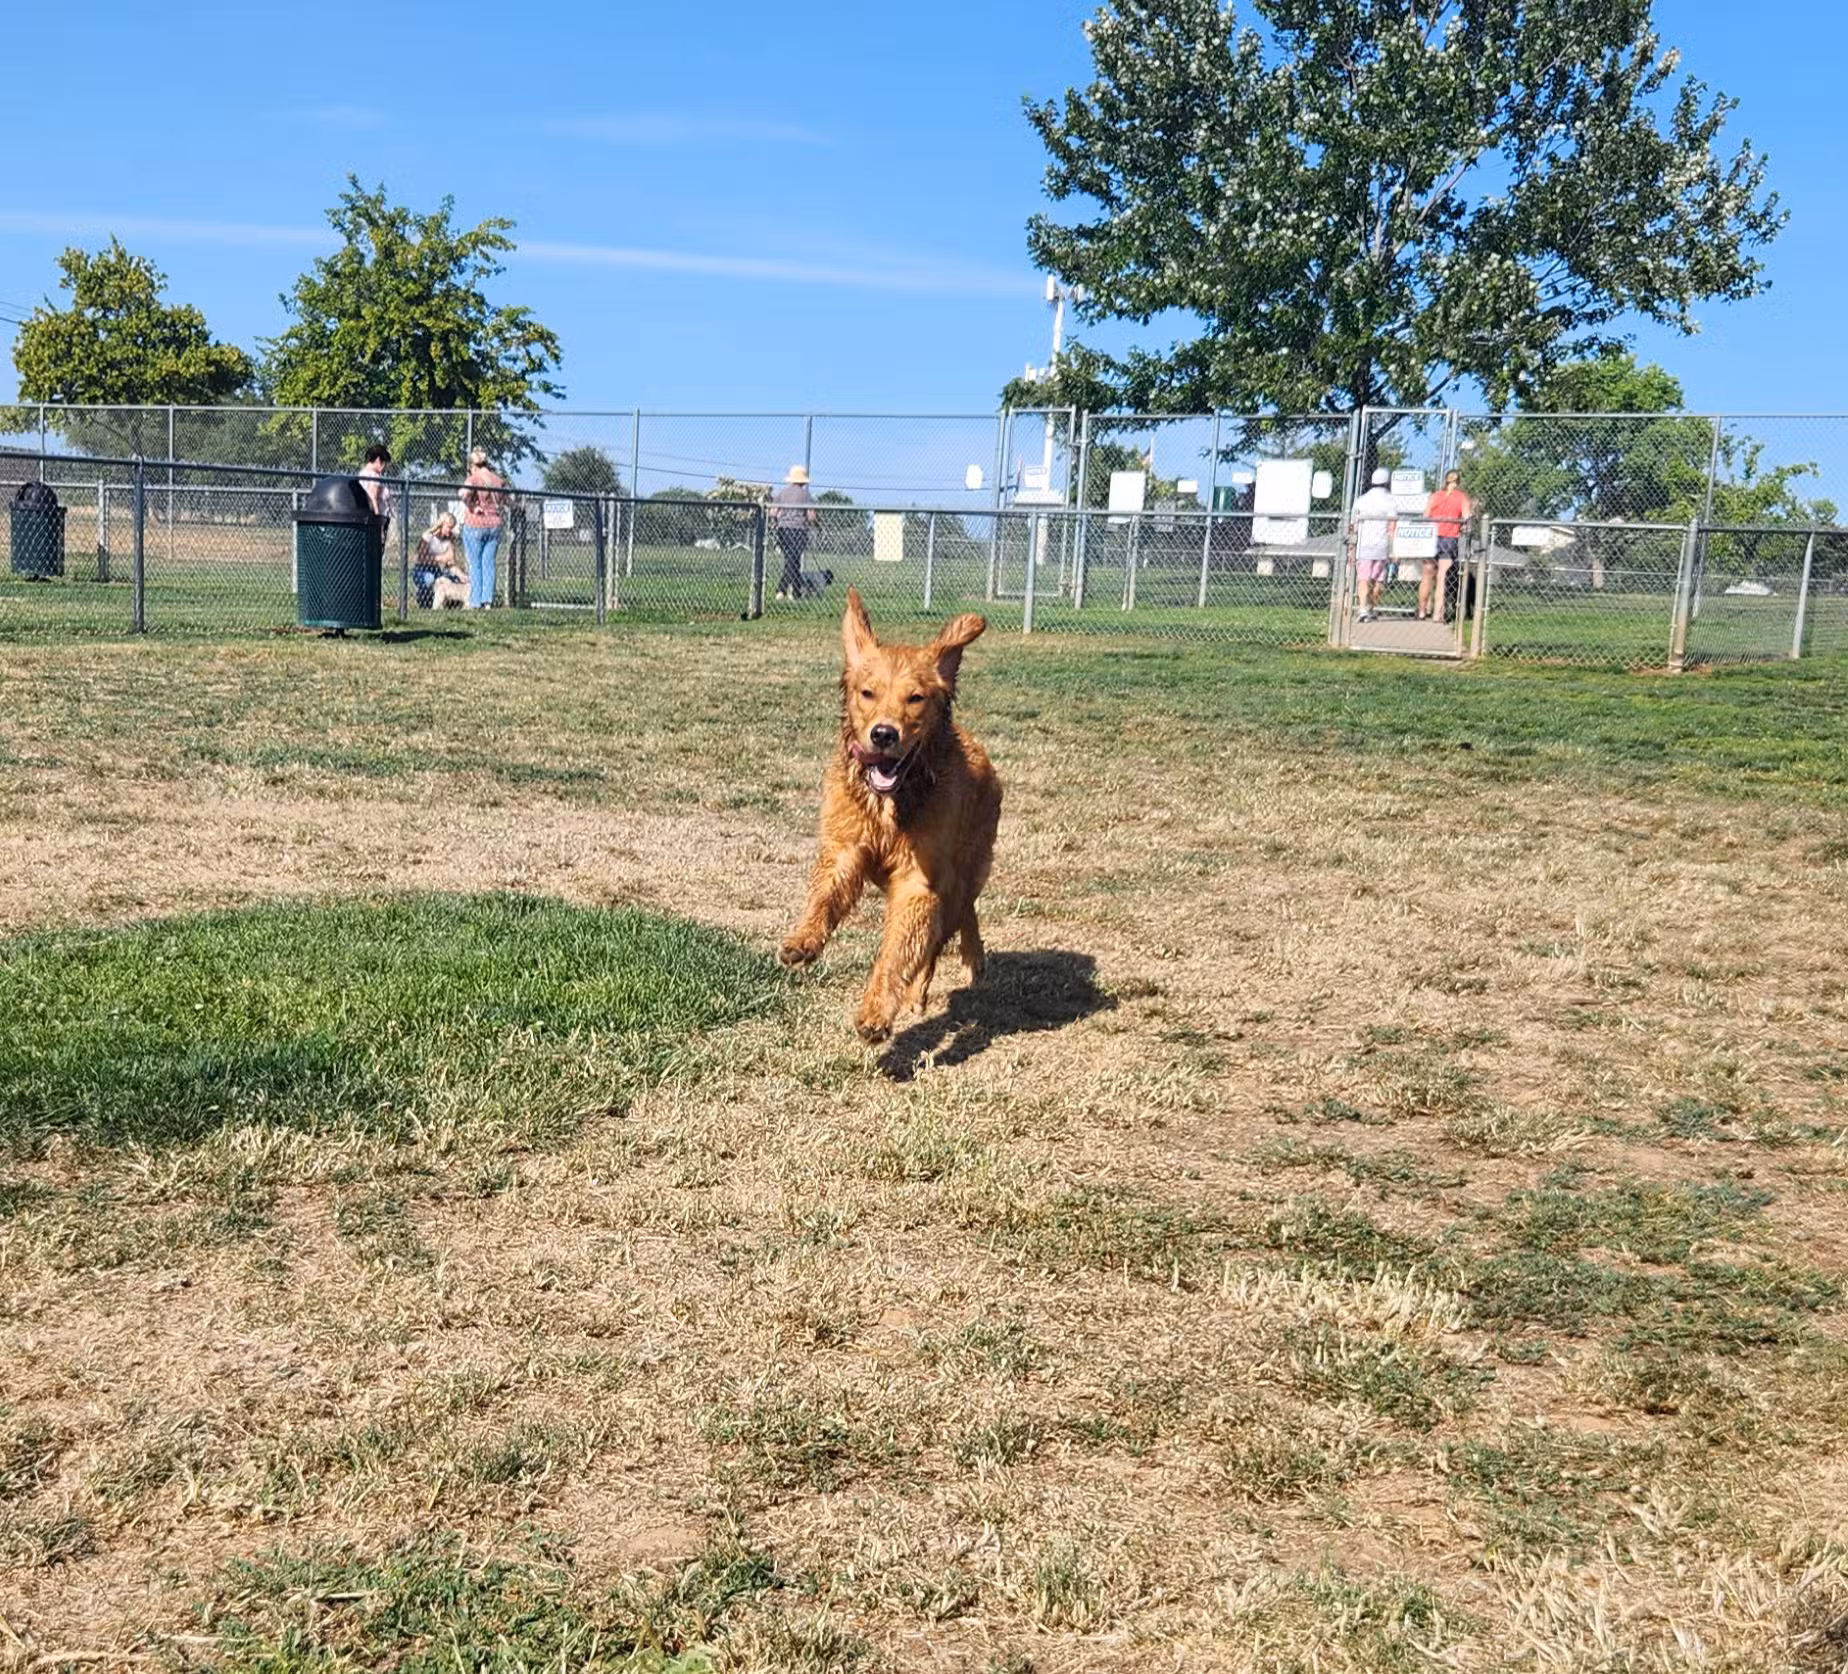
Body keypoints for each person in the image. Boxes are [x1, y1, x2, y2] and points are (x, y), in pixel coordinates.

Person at [1422, 469, 1472, 623]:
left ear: (1446, 480)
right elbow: (1467, 518)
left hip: (1431, 536)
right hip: (1449, 538)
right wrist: (1464, 528)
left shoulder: (1435, 496)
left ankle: (1422, 610)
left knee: (1427, 574)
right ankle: (1438, 614)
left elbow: (1426, 515)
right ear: (1459, 481)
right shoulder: (1462, 498)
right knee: (1442, 576)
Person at [460, 447, 507, 610]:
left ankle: (475, 601)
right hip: (494, 523)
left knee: (475, 563)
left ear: (473, 465)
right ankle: (488, 601)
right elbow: (506, 500)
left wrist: (472, 506)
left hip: (476, 523)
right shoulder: (498, 480)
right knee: (489, 563)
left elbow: (463, 494)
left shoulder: (473, 479)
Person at [1349, 467, 1396, 623]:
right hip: (1381, 545)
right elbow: (1392, 527)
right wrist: (1394, 549)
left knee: (1363, 578)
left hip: (1363, 544)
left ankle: (1362, 609)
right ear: (1387, 482)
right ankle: (1370, 608)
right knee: (1378, 580)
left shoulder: (1361, 500)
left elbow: (1353, 525)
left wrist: (1351, 547)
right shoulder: (1390, 501)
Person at [771, 465, 819, 600]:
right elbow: (811, 516)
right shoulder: (806, 495)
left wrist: (779, 519)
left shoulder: (782, 493)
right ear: (803, 480)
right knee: (794, 561)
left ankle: (786, 590)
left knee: (790, 560)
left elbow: (773, 512)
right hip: (799, 530)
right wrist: (816, 525)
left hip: (783, 530)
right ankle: (791, 591)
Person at [412, 511, 464, 608]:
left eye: (452, 528)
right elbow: (422, 558)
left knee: (454, 579)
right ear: (441, 524)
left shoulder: (449, 539)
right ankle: (424, 602)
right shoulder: (428, 536)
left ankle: (450, 606)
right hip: (421, 569)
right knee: (429, 578)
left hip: (436, 569)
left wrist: (461, 575)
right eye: (449, 527)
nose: (450, 531)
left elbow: (451, 562)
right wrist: (441, 558)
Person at [358, 442, 394, 541]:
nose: (384, 468)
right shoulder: (374, 476)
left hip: (366, 518)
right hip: (378, 519)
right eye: (384, 463)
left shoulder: (361, 474)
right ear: (378, 460)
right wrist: (379, 527)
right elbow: (373, 499)